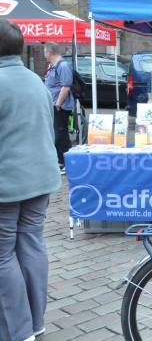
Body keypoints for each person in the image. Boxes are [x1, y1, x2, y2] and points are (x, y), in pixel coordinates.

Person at [0, 19, 61, 341]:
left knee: (2, 254)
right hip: (40, 178)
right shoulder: (36, 80)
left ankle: (18, 329)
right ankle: (34, 322)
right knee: (31, 244)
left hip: (7, 184)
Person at [43, 41, 73, 171]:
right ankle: (61, 161)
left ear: (49, 52)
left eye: (45, 52)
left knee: (61, 133)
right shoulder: (53, 65)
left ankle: (65, 162)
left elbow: (66, 86)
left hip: (60, 106)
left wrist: (58, 104)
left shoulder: (63, 65)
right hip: (54, 105)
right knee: (57, 133)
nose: (44, 55)